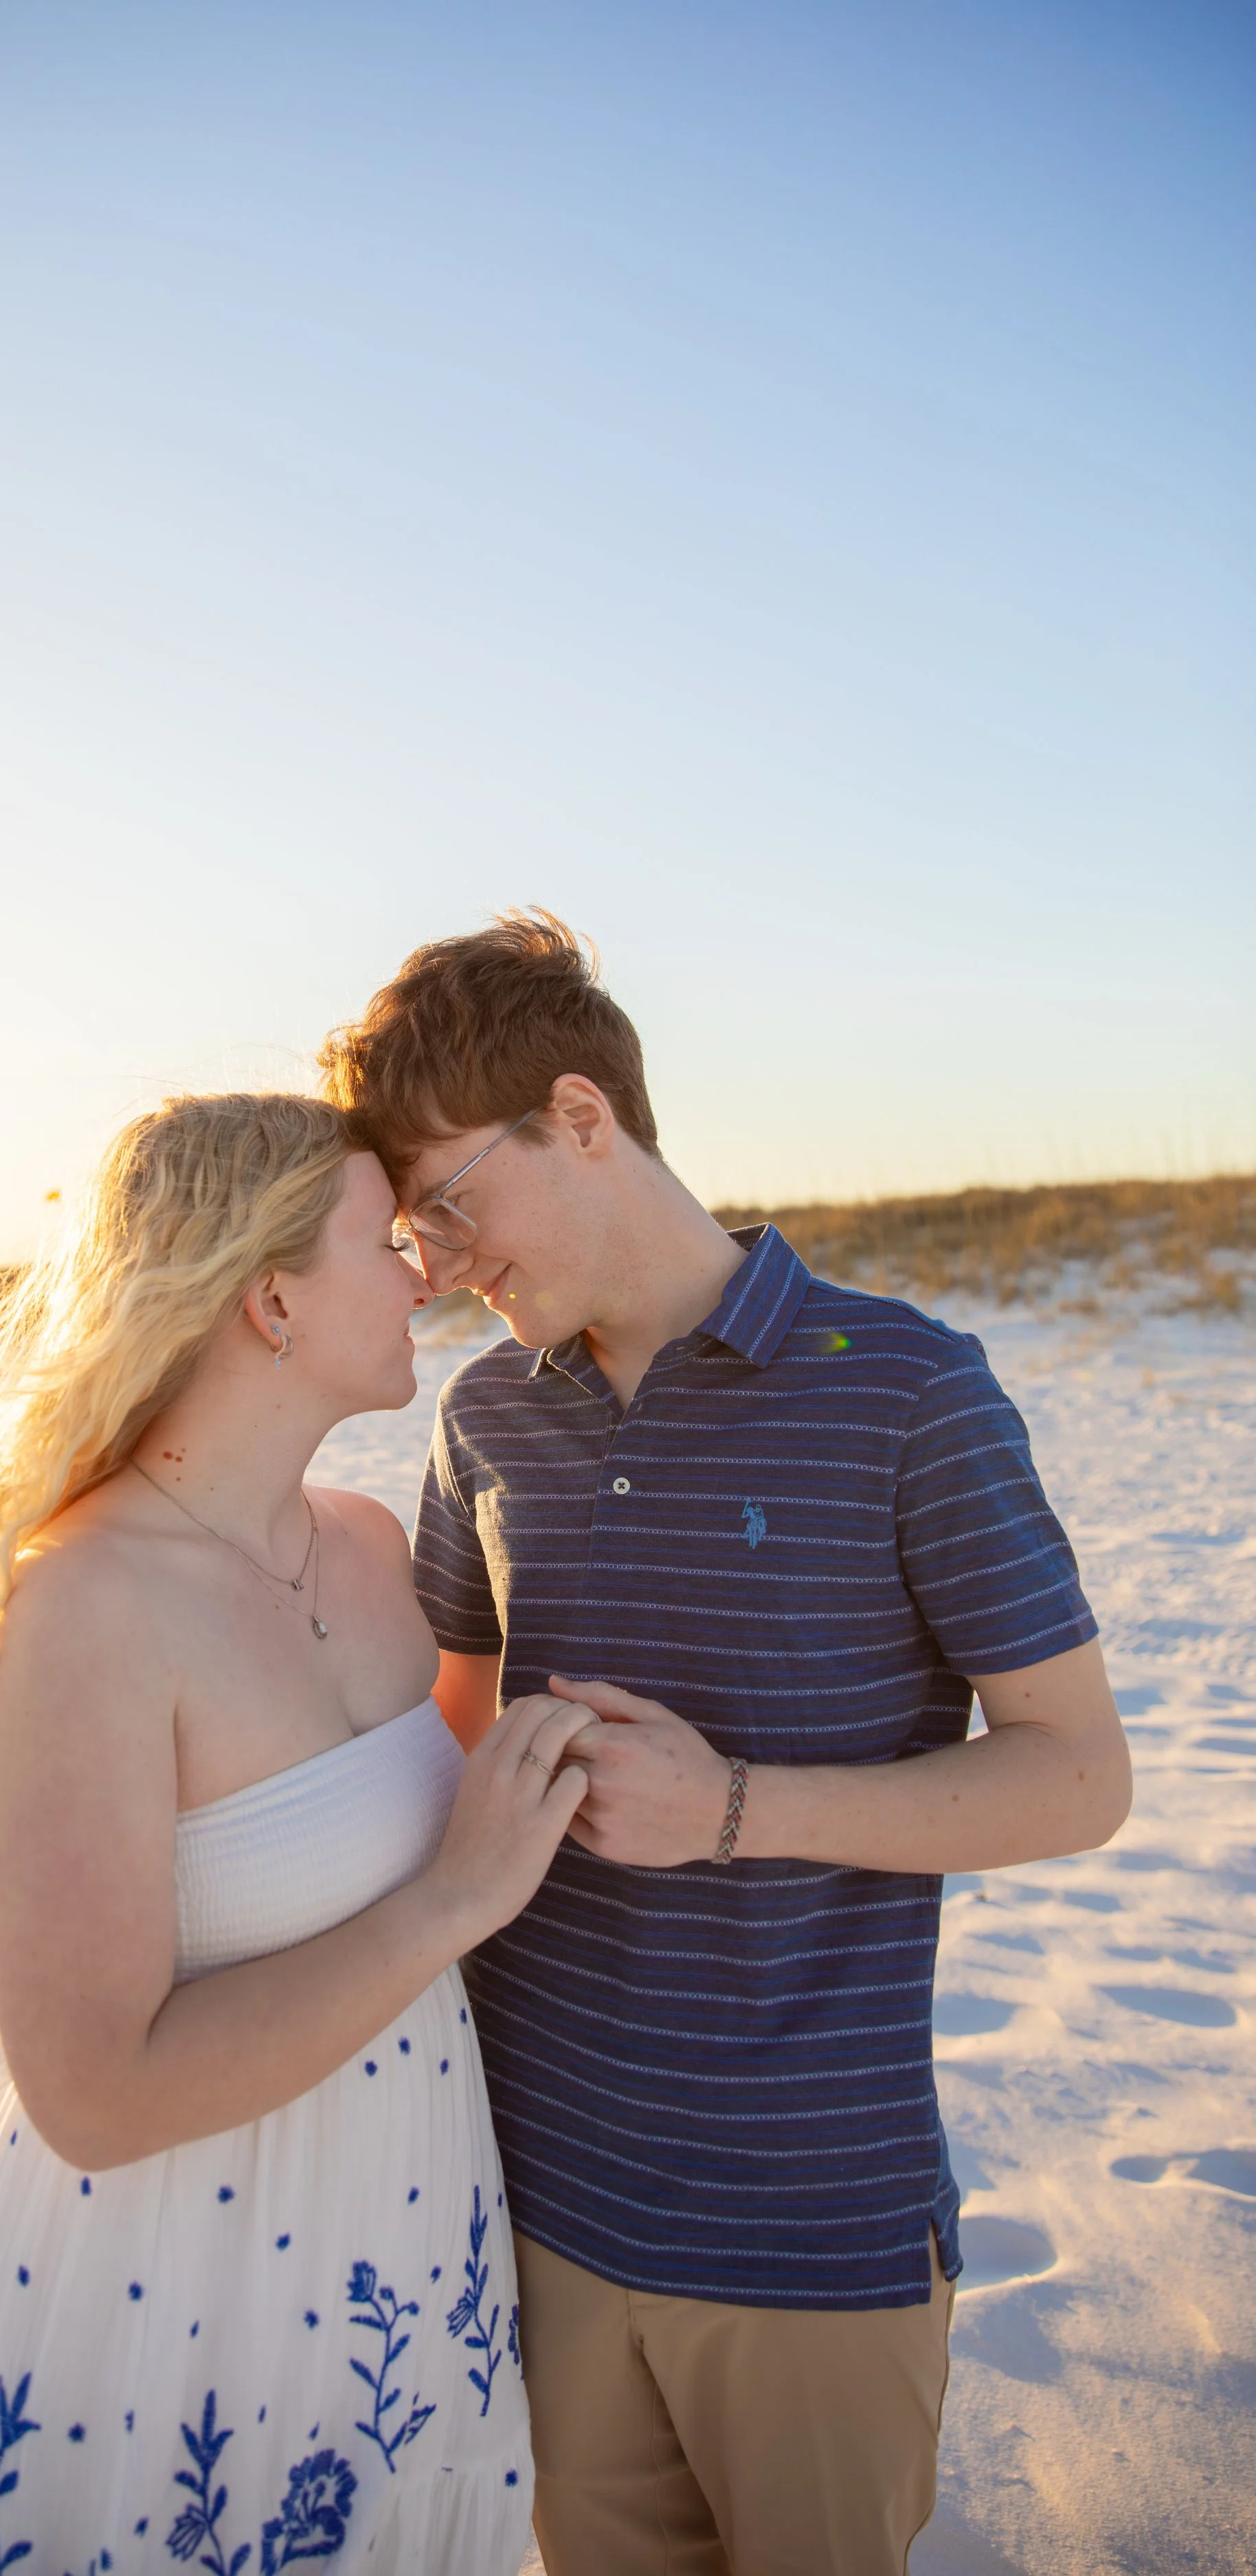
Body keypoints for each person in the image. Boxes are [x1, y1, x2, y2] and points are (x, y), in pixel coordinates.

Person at [319, 914, 1133, 2576]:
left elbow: (1075, 1775)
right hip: (527, 2204)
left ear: (578, 1115)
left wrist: (735, 1809)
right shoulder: (481, 1419)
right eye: (409, 1232)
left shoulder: (907, 1387)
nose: (442, 1258)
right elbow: (438, 1750)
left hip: (804, 2229)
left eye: (448, 1202)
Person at [0, 1092, 592, 2576]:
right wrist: (448, 1906)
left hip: (407, 2254)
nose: (421, 1272)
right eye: (381, 1242)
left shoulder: (362, 1542)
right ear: (268, 1297)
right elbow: (91, 2092)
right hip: (192, 2290)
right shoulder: (89, 1607)